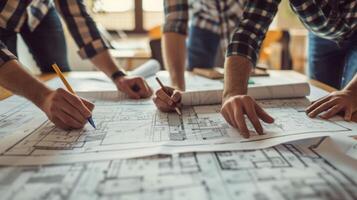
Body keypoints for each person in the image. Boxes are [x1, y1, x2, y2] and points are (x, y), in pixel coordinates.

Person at [154, 0, 357, 138]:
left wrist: (351, 91)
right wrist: (233, 93)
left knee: (350, 104)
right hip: (322, 34)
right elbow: (249, 31)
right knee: (327, 110)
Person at [0, 0, 152, 130]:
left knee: (59, 77)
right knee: (8, 86)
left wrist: (118, 76)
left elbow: (80, 18)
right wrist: (43, 96)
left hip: (39, 8)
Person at [153, 0, 244, 110]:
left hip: (244, 21)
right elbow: (175, 22)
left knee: (242, 88)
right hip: (204, 23)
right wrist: (177, 88)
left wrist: (234, 93)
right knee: (197, 80)